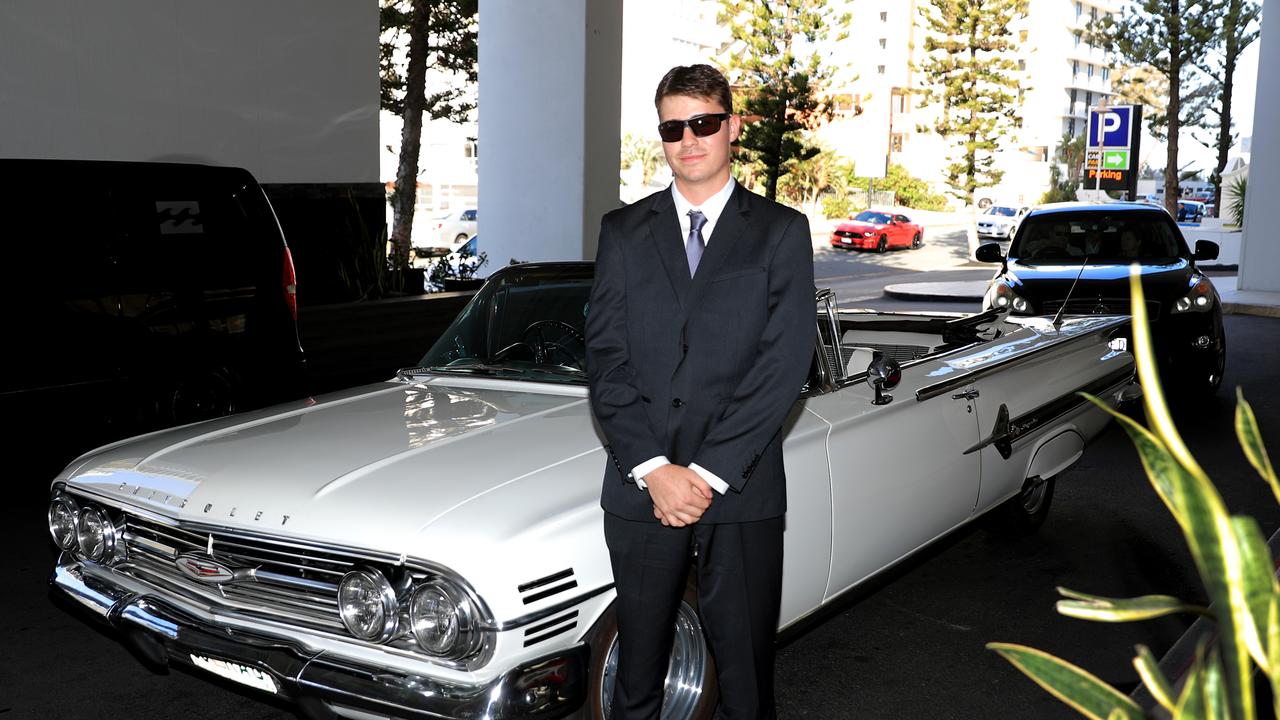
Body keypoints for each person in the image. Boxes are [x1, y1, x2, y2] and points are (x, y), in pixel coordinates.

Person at [585, 63, 815, 720]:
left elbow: (784, 364)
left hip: (739, 488)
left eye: (703, 123)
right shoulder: (623, 232)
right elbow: (605, 359)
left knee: (744, 681)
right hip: (641, 489)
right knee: (634, 682)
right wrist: (655, 470)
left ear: (732, 127)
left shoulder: (780, 231)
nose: (688, 139)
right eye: (673, 127)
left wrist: (706, 474)